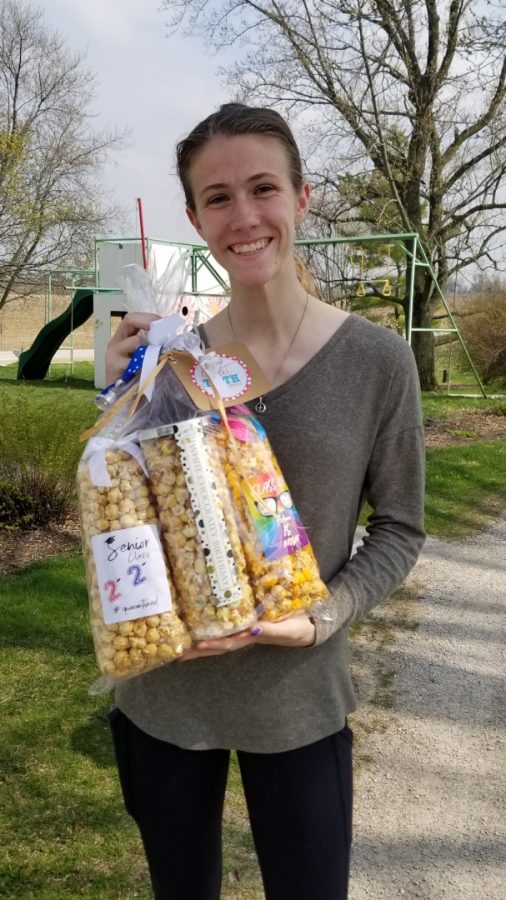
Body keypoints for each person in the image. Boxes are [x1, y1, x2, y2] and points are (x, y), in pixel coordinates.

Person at [105, 103, 425, 900]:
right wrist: (114, 395)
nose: (243, 217)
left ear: (301, 197)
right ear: (194, 217)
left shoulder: (377, 362)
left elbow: (400, 528)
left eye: (262, 188)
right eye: (217, 198)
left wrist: (320, 614)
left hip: (300, 697)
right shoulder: (170, 362)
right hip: (165, 696)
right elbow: (128, 515)